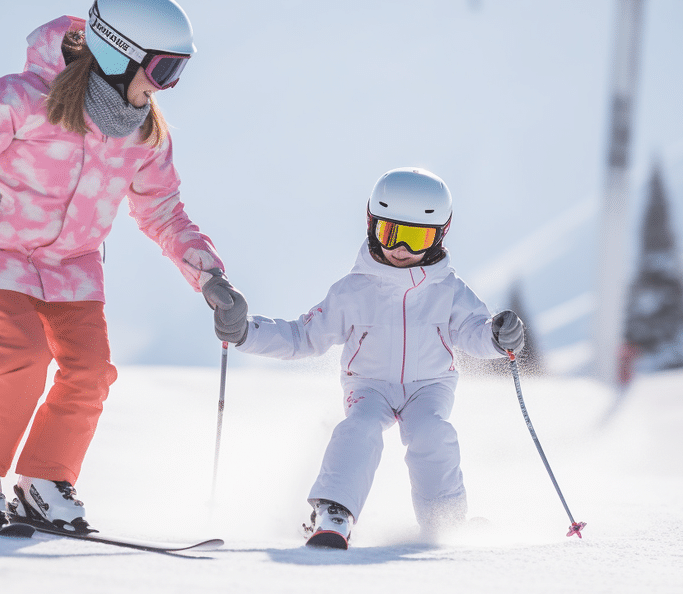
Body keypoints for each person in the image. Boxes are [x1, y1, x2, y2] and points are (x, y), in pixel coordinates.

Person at [0, 0, 246, 530]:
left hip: (72, 268)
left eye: (178, 71)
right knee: (24, 359)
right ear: (118, 54)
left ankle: (45, 480)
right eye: (165, 68)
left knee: (91, 371)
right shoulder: (23, 98)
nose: (167, 85)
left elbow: (164, 212)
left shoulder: (143, 133)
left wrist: (210, 276)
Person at [223, 167, 524, 549]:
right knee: (359, 428)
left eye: (416, 237)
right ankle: (334, 511)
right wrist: (247, 332)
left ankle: (446, 522)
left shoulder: (448, 290)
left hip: (430, 386)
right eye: (390, 233)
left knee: (432, 433)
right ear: (372, 225)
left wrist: (498, 337)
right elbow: (303, 336)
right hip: (369, 385)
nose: (401, 248)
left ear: (439, 236)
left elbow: (475, 331)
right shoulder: (353, 290)